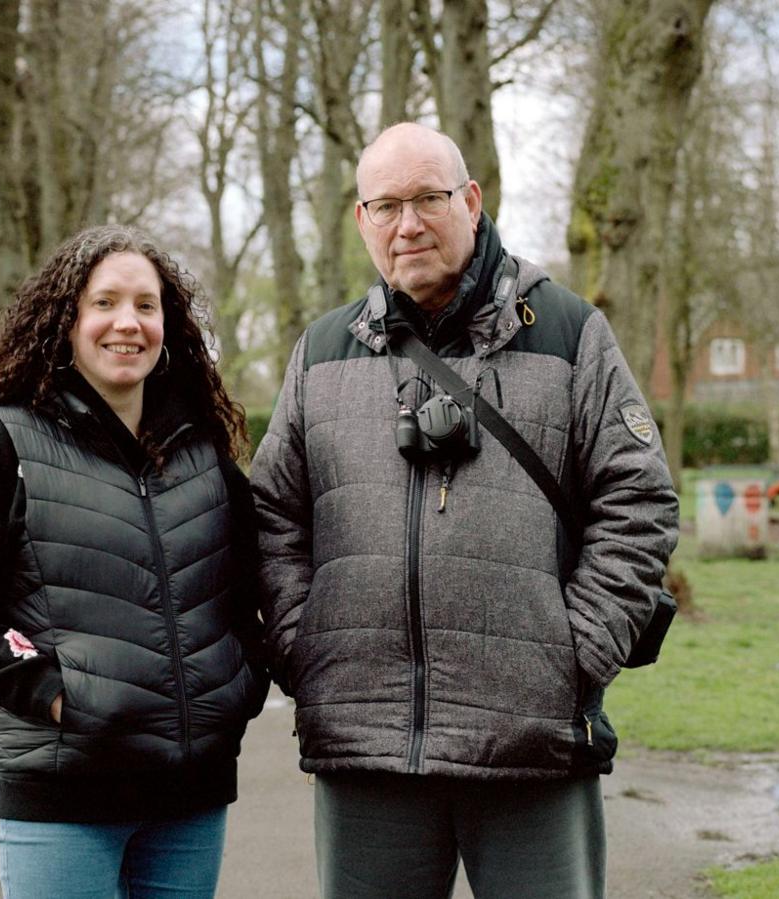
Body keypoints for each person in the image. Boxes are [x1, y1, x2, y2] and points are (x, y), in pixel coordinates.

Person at [249, 122, 679, 899]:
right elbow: (274, 513)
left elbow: (639, 499)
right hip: (366, 740)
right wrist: (304, 642)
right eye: (385, 206)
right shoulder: (322, 352)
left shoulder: (570, 333)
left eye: (428, 199)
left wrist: (572, 653)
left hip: (529, 741)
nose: (407, 224)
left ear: (471, 202)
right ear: (362, 222)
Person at [0, 225, 268, 899]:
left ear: (169, 324)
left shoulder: (203, 454)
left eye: (145, 304)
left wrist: (237, 686)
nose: (126, 323)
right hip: (63, 794)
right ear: (68, 321)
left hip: (190, 798)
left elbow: (248, 591)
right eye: (105, 303)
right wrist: (53, 691)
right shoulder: (7, 443)